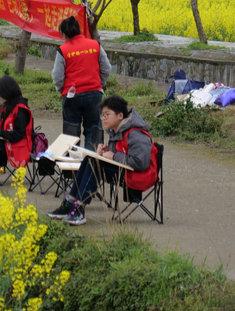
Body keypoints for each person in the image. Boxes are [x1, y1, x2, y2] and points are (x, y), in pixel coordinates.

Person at [47, 94, 158, 226]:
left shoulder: (136, 134)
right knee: (90, 159)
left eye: (107, 114)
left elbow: (140, 163)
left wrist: (113, 156)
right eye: (102, 115)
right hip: (125, 171)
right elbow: (115, 154)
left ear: (120, 116)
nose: (103, 118)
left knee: (95, 164)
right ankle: (71, 203)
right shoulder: (117, 130)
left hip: (138, 176)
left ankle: (80, 209)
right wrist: (103, 153)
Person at [52, 16, 111, 147]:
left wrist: (62, 90)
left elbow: (57, 76)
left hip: (72, 96)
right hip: (94, 94)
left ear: (65, 33)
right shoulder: (95, 45)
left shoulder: (63, 50)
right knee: (93, 130)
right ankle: (91, 165)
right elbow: (107, 68)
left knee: (71, 133)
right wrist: (98, 83)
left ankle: (73, 165)